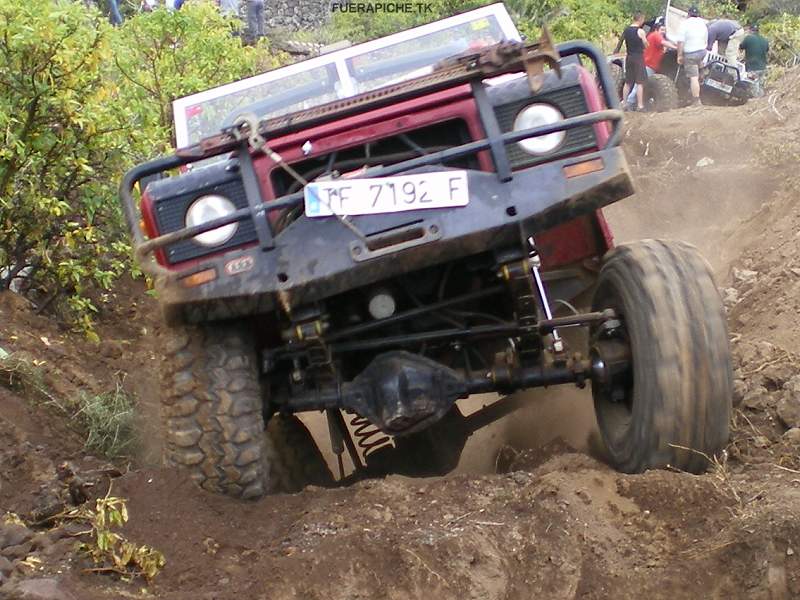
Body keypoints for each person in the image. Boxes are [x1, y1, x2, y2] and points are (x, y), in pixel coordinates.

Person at [626, 20, 677, 107]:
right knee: (639, 85)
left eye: (665, 30)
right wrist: (676, 47)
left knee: (640, 85)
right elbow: (664, 43)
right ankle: (629, 103)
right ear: (656, 29)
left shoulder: (653, 36)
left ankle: (630, 103)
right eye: (662, 30)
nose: (663, 32)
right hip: (648, 65)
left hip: (648, 64)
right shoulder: (655, 35)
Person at [676, 5, 708, 106]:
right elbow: (706, 38)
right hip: (702, 52)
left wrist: (679, 55)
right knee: (698, 65)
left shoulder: (685, 24)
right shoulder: (703, 23)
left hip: (691, 54)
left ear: (688, 14)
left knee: (693, 77)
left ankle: (696, 101)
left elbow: (680, 42)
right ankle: (702, 72)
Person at [621, 13, 649, 111]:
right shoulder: (640, 31)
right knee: (640, 82)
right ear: (640, 19)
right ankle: (640, 106)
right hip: (638, 58)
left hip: (629, 57)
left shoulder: (626, 30)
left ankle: (624, 104)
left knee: (628, 82)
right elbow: (646, 44)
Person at [740, 24, 769, 97]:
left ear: (750, 30)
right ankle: (761, 100)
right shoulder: (765, 40)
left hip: (752, 66)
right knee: (761, 85)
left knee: (753, 85)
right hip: (763, 67)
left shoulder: (748, 38)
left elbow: (741, 47)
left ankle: (755, 102)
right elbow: (767, 50)